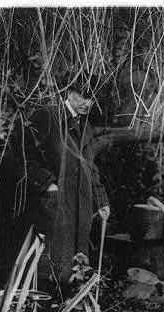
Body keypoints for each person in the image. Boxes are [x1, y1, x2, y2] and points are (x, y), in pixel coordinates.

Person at [17, 82, 110, 295]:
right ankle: (43, 310)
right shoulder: (48, 117)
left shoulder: (85, 128)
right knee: (48, 266)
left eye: (91, 98)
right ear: (69, 92)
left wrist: (101, 200)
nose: (88, 103)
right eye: (83, 96)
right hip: (53, 204)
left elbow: (90, 169)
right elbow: (22, 153)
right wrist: (45, 183)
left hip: (79, 205)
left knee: (75, 266)